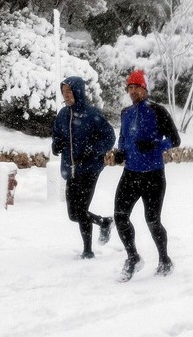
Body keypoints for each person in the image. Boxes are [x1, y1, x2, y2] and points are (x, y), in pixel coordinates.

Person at [113, 69, 182, 282]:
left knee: (152, 220)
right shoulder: (126, 113)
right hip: (131, 173)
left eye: (136, 87)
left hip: (153, 175)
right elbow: (123, 137)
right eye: (129, 88)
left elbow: (175, 139)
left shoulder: (157, 111)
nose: (132, 91)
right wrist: (120, 151)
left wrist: (155, 145)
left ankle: (164, 260)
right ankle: (133, 258)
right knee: (120, 215)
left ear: (144, 89)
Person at [51, 76, 116, 259]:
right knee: (73, 214)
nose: (66, 95)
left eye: (69, 91)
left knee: (80, 210)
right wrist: (56, 144)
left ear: (78, 91)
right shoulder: (63, 114)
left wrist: (94, 149)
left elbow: (109, 137)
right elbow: (56, 134)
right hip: (70, 169)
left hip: (89, 168)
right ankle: (104, 222)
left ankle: (88, 251)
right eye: (64, 92)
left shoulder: (91, 114)